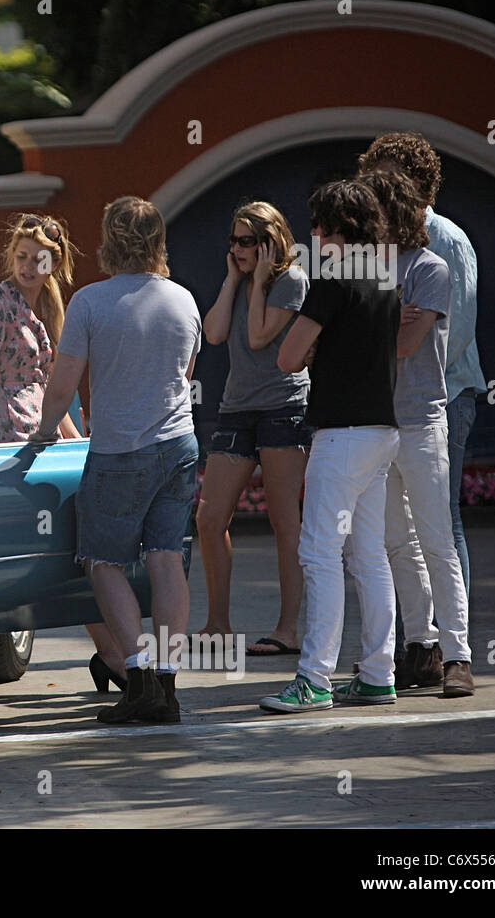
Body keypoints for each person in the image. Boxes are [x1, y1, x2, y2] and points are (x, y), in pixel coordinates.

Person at [33, 196, 201, 724]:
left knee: (102, 562)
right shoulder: (184, 300)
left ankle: (139, 677)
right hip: (179, 447)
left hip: (119, 452)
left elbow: (62, 386)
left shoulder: (89, 302)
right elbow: (185, 370)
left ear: (109, 240)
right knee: (166, 558)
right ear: (158, 241)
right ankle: (168, 685)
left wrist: (41, 434)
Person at [0, 215, 114, 684]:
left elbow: (50, 387)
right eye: (21, 257)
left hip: (48, 424)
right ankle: (112, 653)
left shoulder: (52, 305)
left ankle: (112, 652)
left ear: (55, 263)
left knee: (78, 538)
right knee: (64, 544)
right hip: (15, 431)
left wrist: (81, 444)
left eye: (39, 259)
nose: (28, 267)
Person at [259, 180, 400, 713]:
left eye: (318, 225)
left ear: (338, 228)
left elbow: (286, 358)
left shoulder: (332, 277)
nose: (312, 235)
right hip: (381, 431)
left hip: (340, 435)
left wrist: (313, 345)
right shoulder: (385, 274)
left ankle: (315, 678)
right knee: (369, 556)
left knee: (318, 553)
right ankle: (377, 674)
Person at [358, 132, 483, 689]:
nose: (374, 197)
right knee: (395, 539)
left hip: (437, 403)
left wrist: (376, 334)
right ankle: (421, 645)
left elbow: (436, 336)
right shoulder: (364, 262)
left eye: (385, 186)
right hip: (377, 414)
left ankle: (459, 653)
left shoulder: (441, 248)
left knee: (437, 531)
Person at [195, 201, 312, 658]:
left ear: (270, 241)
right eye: (234, 240)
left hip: (284, 408)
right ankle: (218, 624)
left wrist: (261, 280)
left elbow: (261, 336)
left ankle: (287, 629)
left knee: (285, 521)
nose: (237, 249)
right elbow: (215, 335)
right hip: (237, 410)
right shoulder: (239, 280)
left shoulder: (291, 281)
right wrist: (232, 280)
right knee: (209, 518)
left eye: (247, 241)